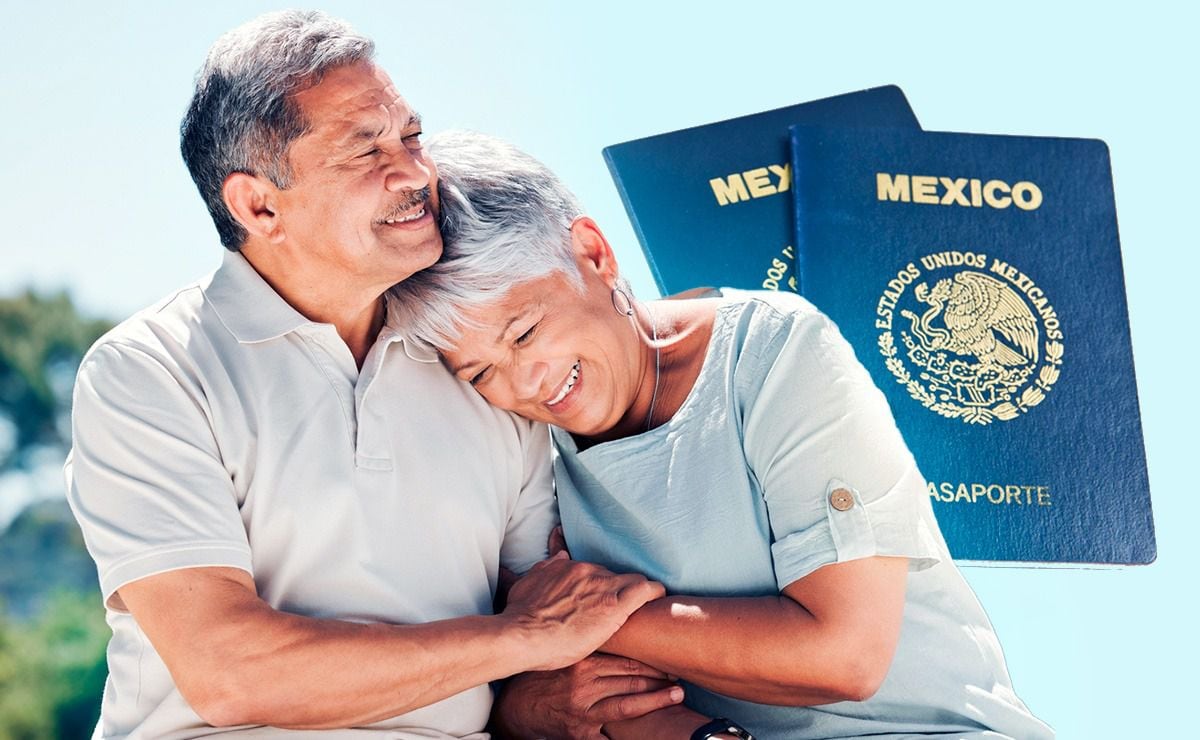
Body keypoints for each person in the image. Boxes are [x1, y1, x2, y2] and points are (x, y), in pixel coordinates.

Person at [63, 11, 682, 738]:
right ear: (259, 205)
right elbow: (230, 674)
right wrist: (521, 639)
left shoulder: (481, 365)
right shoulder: (150, 372)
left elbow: (544, 608)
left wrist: (537, 677)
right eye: (366, 153)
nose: (416, 173)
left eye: (411, 138)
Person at [388, 130, 1056, 739]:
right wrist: (533, 683)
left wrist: (580, 622)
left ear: (593, 254)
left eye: (526, 332)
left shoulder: (777, 351)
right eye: (480, 371)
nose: (524, 384)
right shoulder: (516, 446)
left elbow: (843, 656)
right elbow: (577, 692)